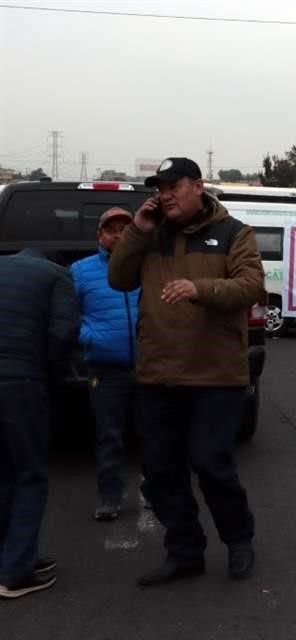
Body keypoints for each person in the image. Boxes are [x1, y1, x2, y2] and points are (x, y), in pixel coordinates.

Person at [108, 157, 265, 587]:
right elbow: (118, 279)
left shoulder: (234, 233)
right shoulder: (150, 233)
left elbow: (251, 286)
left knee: (210, 462)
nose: (165, 194)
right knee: (160, 471)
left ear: (197, 186)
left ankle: (238, 539)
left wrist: (200, 288)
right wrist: (137, 230)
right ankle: (184, 551)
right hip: (158, 374)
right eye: (160, 187)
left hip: (215, 375)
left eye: (174, 185)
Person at [0, 249, 79, 599]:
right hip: (21, 384)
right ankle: (15, 573)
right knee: (29, 475)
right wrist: (51, 375)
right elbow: (63, 332)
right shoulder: (58, 276)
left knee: (2, 474)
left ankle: (11, 556)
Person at [70, 208, 143, 521]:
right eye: (110, 229)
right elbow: (68, 315)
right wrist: (90, 337)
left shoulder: (147, 266)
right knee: (109, 435)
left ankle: (156, 491)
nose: (117, 234)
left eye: (124, 229)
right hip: (104, 368)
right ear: (99, 235)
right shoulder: (80, 271)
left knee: (153, 433)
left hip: (149, 367)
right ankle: (109, 497)